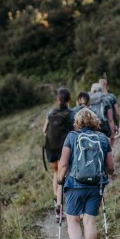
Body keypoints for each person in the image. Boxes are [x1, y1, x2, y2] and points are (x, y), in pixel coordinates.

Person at [57, 107, 114, 239]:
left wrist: (61, 178)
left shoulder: (72, 136)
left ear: (77, 122)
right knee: (89, 222)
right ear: (96, 122)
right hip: (96, 186)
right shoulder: (103, 138)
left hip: (75, 185)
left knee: (73, 219)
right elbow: (111, 167)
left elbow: (64, 163)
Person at [43, 87, 75, 216]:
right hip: (64, 148)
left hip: (50, 148)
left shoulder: (51, 112)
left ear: (58, 99)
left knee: (56, 173)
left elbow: (44, 130)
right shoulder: (71, 113)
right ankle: (65, 204)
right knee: (66, 173)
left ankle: (57, 203)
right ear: (70, 99)